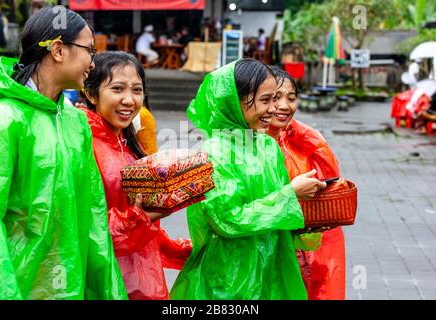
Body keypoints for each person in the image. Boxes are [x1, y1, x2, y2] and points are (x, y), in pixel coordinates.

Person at [0, 7, 127, 299]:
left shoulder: (76, 122)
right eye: (89, 49)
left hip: (70, 288)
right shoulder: (3, 118)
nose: (93, 61)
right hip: (19, 288)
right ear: (59, 50)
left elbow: (94, 218)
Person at [170, 58, 326, 300]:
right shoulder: (213, 153)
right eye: (266, 100)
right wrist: (290, 195)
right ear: (235, 101)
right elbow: (227, 221)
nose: (274, 108)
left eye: (274, 99)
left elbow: (277, 217)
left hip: (271, 273)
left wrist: (308, 224)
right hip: (229, 278)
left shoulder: (267, 146)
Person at [82, 51, 192, 300]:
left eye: (137, 90)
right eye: (118, 89)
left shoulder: (127, 144)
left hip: (142, 279)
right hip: (103, 281)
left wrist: (182, 249)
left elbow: (144, 226)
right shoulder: (83, 144)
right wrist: (139, 217)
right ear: (90, 93)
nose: (129, 100)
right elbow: (85, 229)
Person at [267, 67, 346, 300]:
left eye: (291, 98)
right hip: (266, 248)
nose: (284, 106)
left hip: (304, 249)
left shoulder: (299, 143)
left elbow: (333, 179)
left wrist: (307, 136)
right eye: (274, 98)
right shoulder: (247, 147)